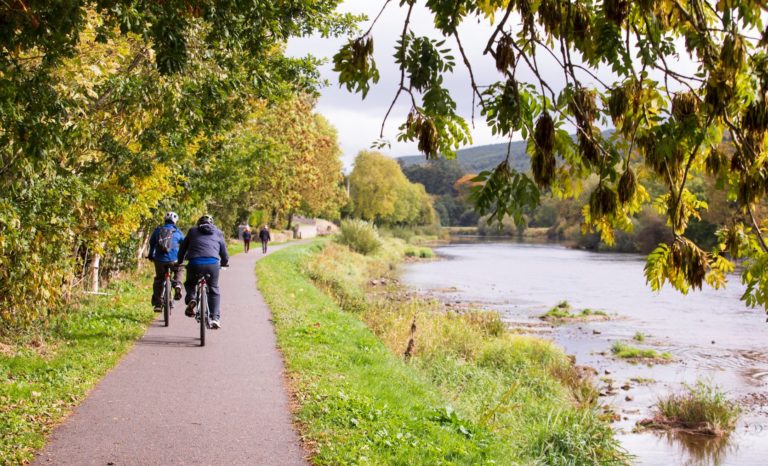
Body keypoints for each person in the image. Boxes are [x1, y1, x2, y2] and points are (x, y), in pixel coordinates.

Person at [177, 215, 229, 329]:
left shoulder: (192, 231)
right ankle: (215, 318)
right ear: (212, 223)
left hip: (195, 263)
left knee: (190, 283)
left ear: (198, 223)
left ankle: (192, 298)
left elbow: (182, 248)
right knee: (213, 289)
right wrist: (224, 262)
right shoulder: (218, 232)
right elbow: (224, 252)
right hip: (213, 264)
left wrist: (179, 261)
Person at [148, 212, 185, 312]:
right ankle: (177, 284)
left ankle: (158, 305)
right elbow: (185, 245)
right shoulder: (178, 232)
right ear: (175, 221)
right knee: (179, 269)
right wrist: (184, 256)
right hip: (174, 260)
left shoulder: (158, 231)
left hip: (160, 260)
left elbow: (151, 244)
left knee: (159, 279)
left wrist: (151, 255)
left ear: (165, 220)